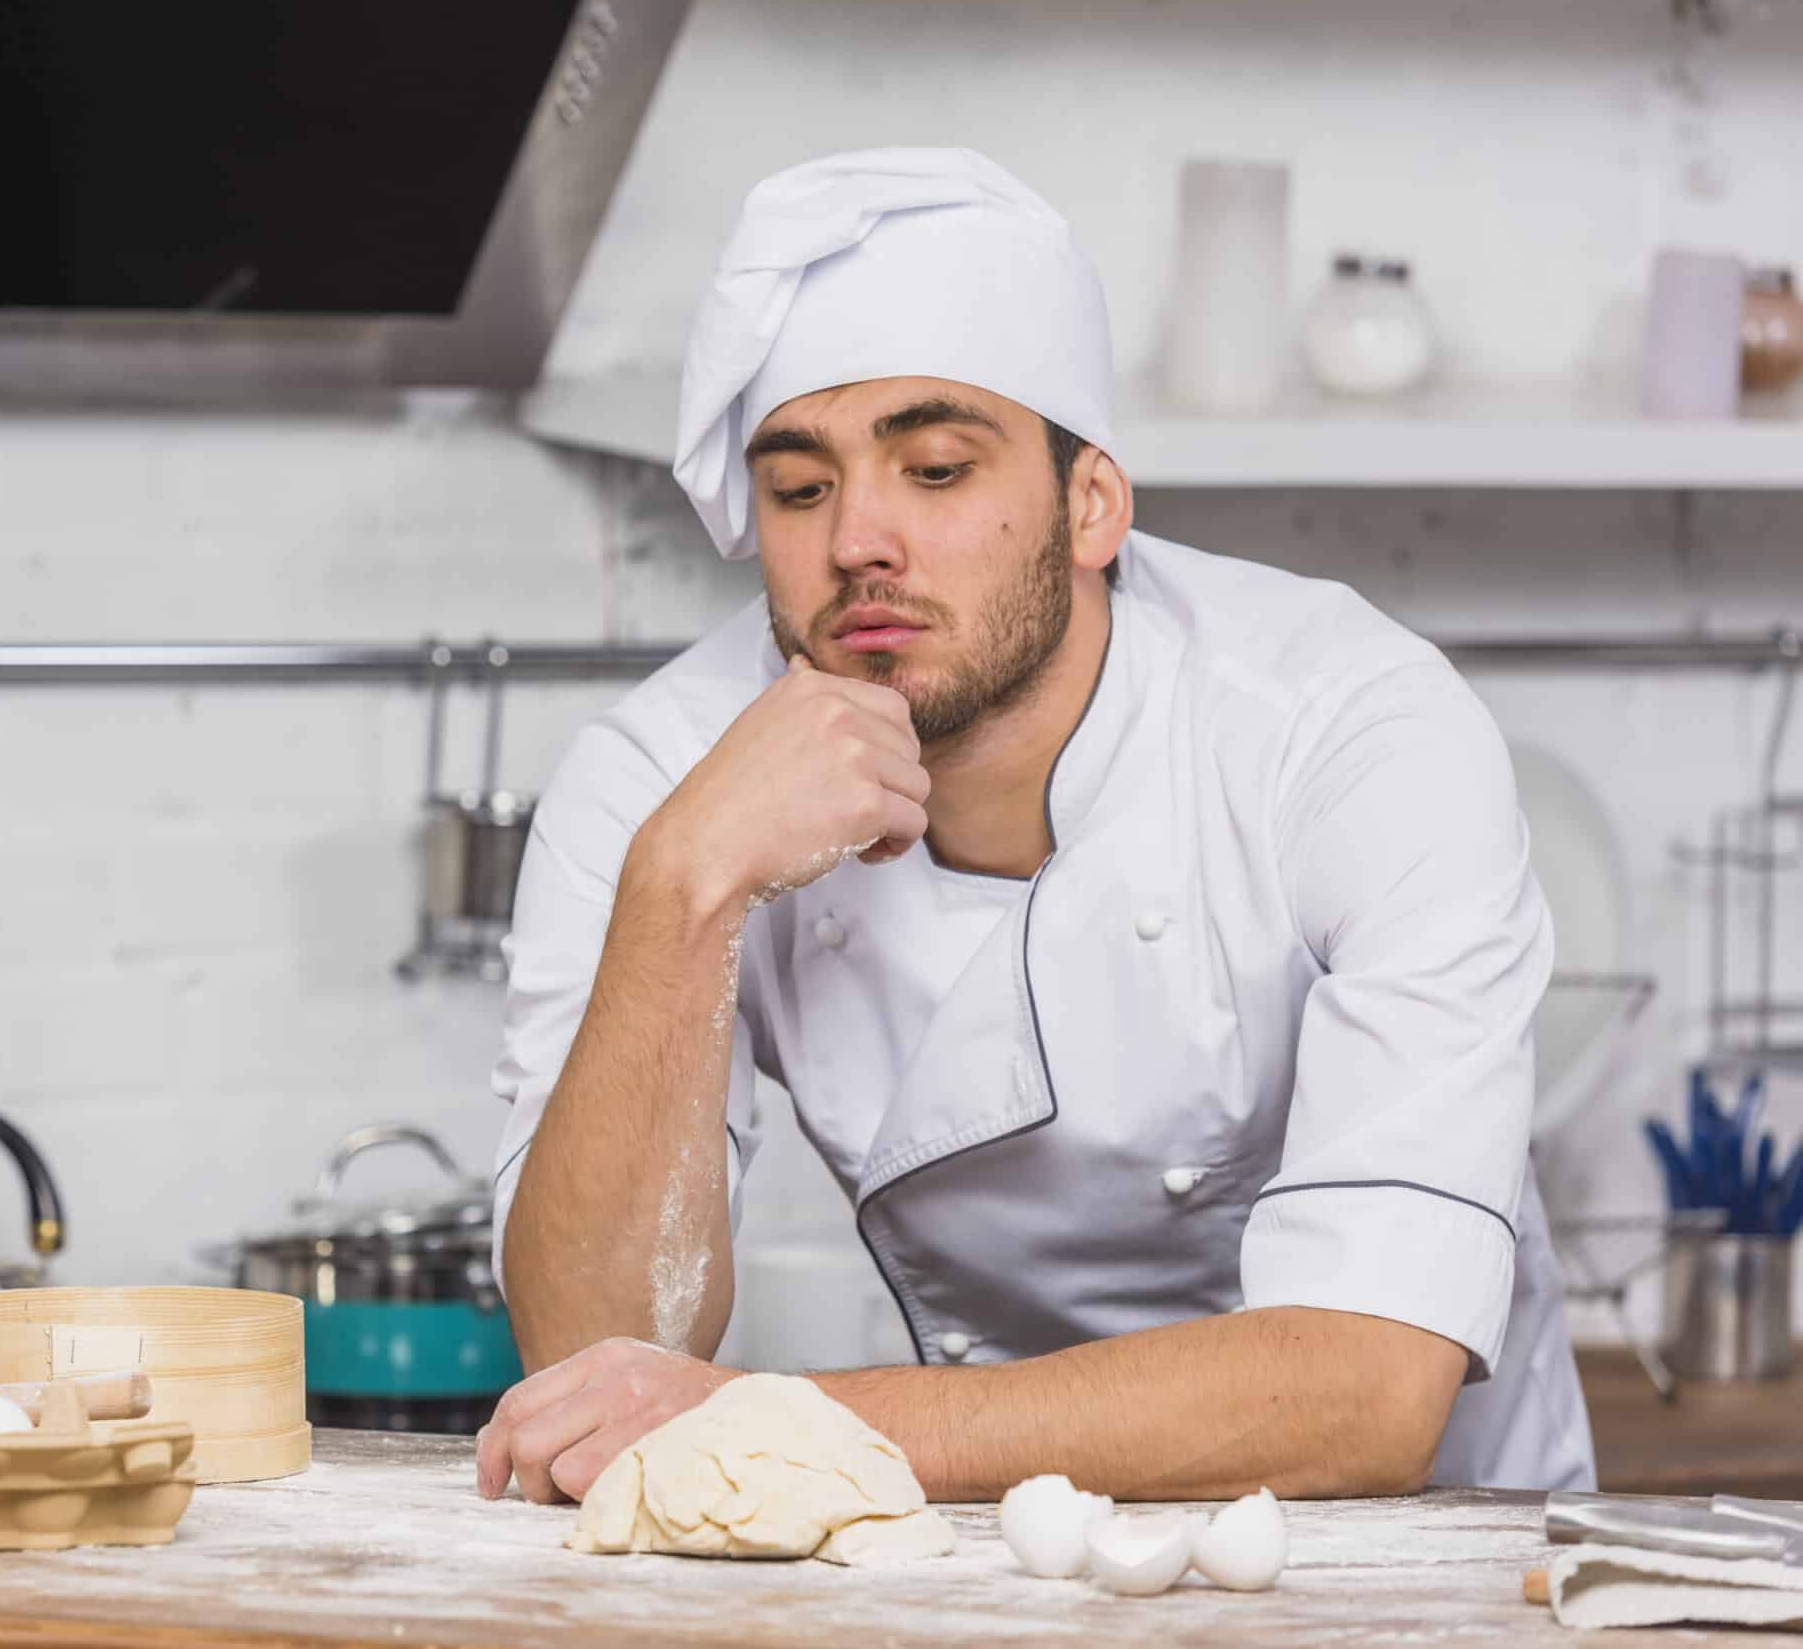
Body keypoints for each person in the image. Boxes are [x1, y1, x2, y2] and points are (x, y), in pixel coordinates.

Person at [475, 147, 1592, 1508]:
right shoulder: (661, 777)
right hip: (1013, 1541)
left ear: (1091, 507)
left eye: (936, 469)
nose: (858, 543)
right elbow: (598, 1355)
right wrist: (686, 888)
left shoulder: (1351, 728)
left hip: (1427, 1560)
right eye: (801, 488)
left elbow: (1367, 1390)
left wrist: (786, 1419)